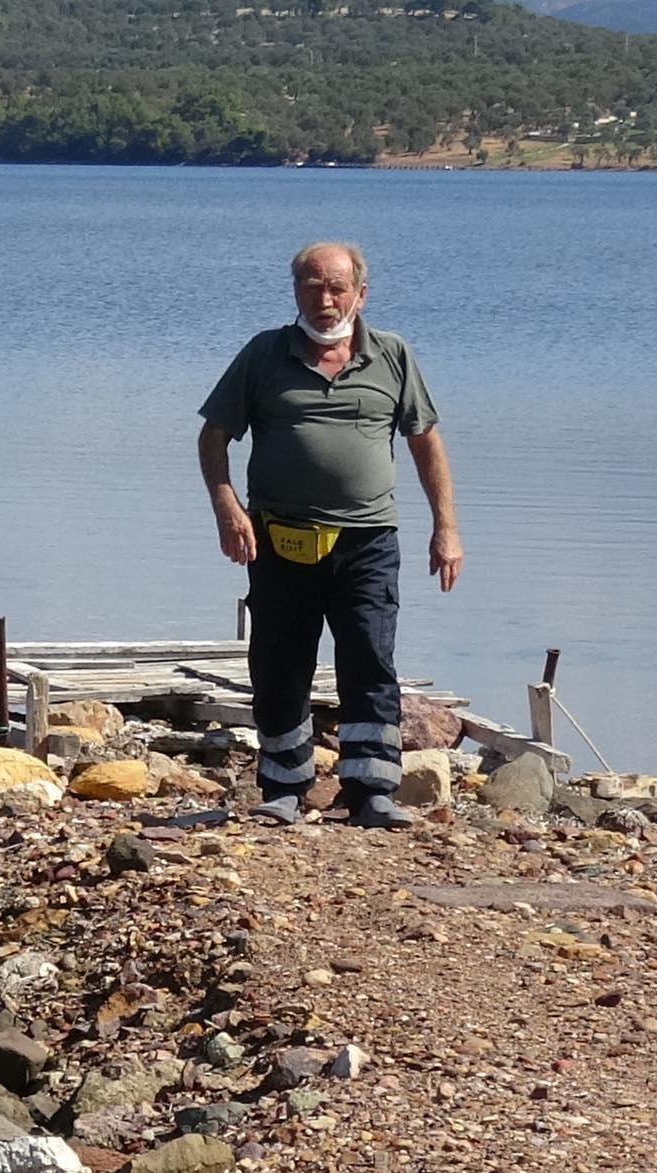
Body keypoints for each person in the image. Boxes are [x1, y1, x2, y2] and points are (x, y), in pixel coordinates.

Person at [195, 241, 462, 828]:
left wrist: (446, 527)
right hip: (279, 538)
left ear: (360, 294)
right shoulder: (264, 355)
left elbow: (425, 442)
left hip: (368, 541)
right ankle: (284, 785)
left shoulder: (392, 356)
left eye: (338, 287)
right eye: (313, 286)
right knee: (280, 661)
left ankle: (372, 790)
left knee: (370, 658)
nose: (326, 299)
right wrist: (226, 507)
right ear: (297, 292)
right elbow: (213, 436)